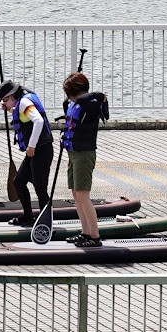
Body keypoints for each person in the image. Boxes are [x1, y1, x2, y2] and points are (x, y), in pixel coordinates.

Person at [59, 71, 110, 244]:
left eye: (71, 94)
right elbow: (72, 104)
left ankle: (95, 236)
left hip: (84, 154)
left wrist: (97, 94)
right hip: (73, 153)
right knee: (76, 193)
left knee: (83, 195)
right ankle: (85, 232)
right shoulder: (74, 104)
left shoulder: (91, 105)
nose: (69, 98)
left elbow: (89, 98)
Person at [0, 79, 52, 221]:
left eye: (5, 100)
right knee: (19, 181)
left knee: (40, 187)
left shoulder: (24, 102)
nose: (4, 102)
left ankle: (46, 221)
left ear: (12, 96)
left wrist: (31, 145)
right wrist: (9, 109)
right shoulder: (22, 102)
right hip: (36, 151)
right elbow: (21, 114)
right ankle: (28, 216)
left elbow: (38, 121)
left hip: (41, 149)